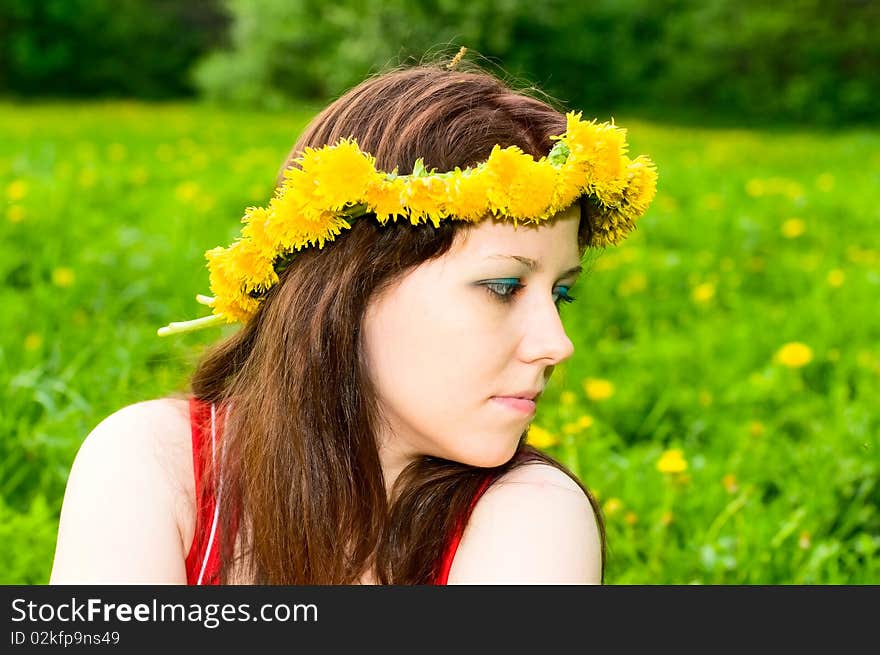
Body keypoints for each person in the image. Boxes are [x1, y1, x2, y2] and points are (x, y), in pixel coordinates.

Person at [49, 56, 657, 585]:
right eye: (502, 287)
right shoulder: (153, 465)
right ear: (350, 284)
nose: (556, 344)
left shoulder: (532, 514)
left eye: (561, 295)